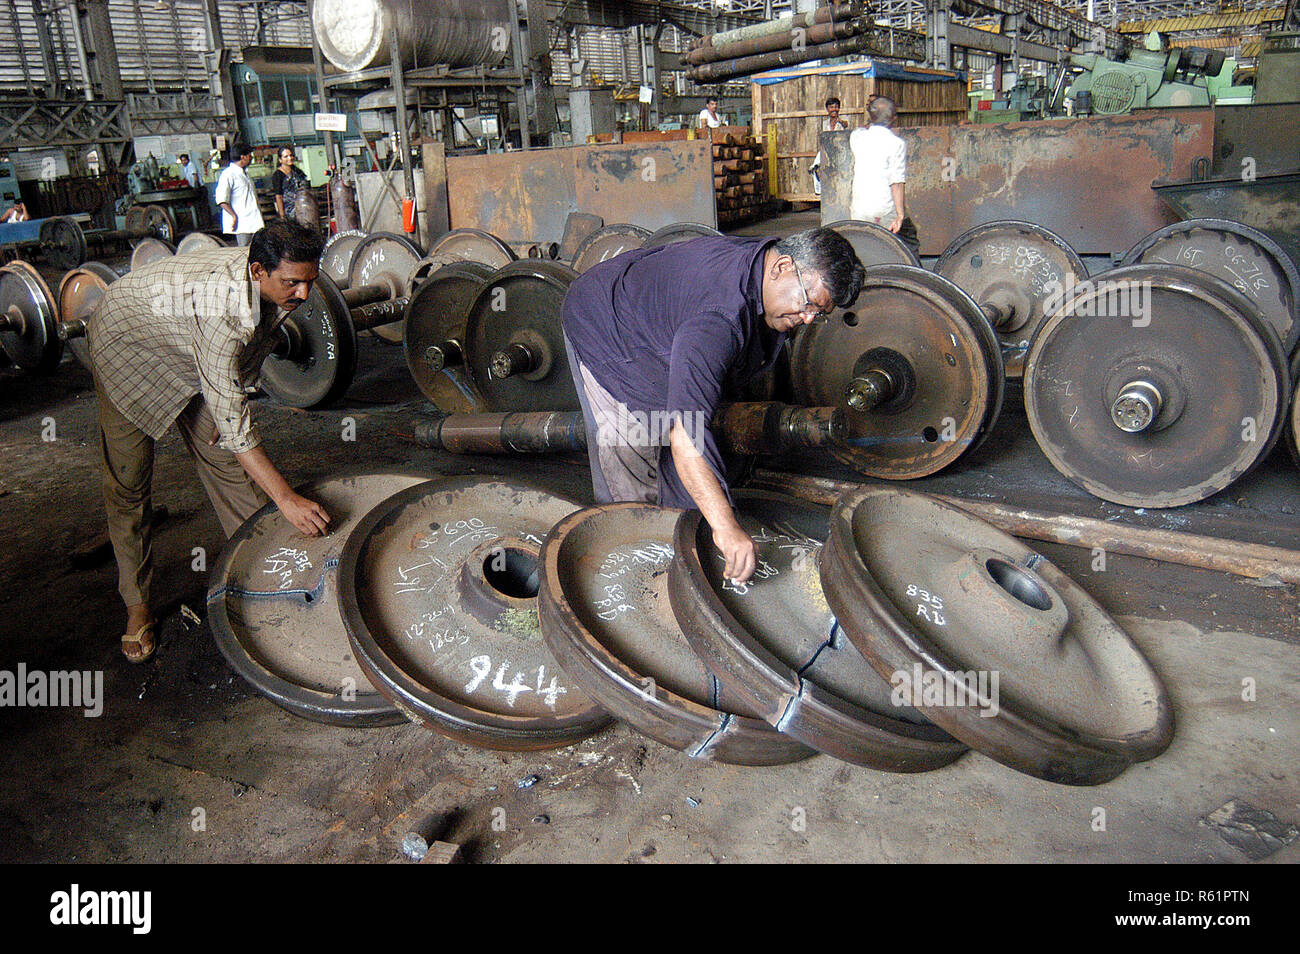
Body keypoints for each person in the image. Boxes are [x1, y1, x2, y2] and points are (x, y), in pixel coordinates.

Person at [87, 221, 331, 663]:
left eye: (310, 281)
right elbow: (237, 420)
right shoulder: (221, 310)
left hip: (187, 352)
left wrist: (233, 397)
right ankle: (136, 605)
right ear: (257, 270)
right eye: (292, 283)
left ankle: (267, 574)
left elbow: (256, 341)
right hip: (128, 349)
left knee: (229, 462)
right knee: (129, 482)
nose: (303, 294)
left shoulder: (280, 281)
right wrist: (288, 498)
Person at [561, 228, 864, 582]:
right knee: (633, 446)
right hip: (603, 322)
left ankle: (680, 528)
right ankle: (627, 572)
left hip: (660, 313)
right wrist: (726, 527)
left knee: (688, 450)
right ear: (782, 267)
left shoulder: (764, 264)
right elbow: (687, 438)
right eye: (809, 303)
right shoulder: (717, 321)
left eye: (820, 313)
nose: (809, 318)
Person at [848, 96, 919, 256]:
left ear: (870, 117)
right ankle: (915, 277)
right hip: (884, 209)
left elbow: (862, 128)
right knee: (909, 241)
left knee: (865, 247)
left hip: (859, 209)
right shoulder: (896, 143)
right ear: (894, 118)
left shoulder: (857, 137)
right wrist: (900, 215)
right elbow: (897, 182)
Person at [215, 141, 264, 247]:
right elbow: (221, 200)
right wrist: (234, 216)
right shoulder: (228, 174)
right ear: (243, 157)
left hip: (253, 221)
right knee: (244, 251)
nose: (251, 158)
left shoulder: (245, 174)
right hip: (242, 224)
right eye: (249, 155)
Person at [810, 96, 849, 197]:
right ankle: (820, 190)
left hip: (840, 151)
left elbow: (846, 125)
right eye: (831, 107)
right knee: (816, 168)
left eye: (836, 107)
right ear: (827, 109)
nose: (834, 109)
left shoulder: (843, 121)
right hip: (827, 151)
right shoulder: (825, 123)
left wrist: (840, 121)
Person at [271, 147, 309, 222]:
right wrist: (282, 216)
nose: (290, 158)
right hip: (289, 212)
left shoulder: (298, 172)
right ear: (280, 159)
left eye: (291, 155)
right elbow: (279, 196)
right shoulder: (278, 175)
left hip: (303, 209)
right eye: (286, 156)